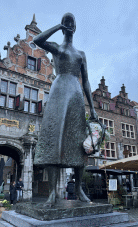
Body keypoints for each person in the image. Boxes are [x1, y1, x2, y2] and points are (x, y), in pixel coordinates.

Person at [33, 13, 98, 205]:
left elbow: (86, 81)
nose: (69, 25)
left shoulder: (81, 55)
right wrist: (58, 27)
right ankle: (52, 192)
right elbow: (37, 39)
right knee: (55, 138)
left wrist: (92, 109)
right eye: (66, 23)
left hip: (76, 95)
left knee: (78, 143)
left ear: (75, 27)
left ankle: (78, 189)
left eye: (71, 23)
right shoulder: (56, 48)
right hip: (59, 91)